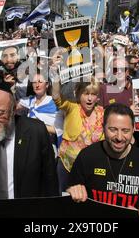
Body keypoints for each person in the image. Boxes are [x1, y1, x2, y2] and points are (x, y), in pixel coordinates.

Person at [67, 104, 139, 218]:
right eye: (113, 130)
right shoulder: (87, 156)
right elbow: (70, 194)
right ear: (103, 127)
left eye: (125, 131)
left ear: (133, 129)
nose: (119, 137)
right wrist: (72, 191)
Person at [51, 51, 104, 193]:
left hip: (93, 170)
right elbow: (56, 95)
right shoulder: (71, 107)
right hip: (67, 167)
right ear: (78, 94)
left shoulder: (103, 113)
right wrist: (55, 74)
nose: (89, 98)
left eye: (93, 94)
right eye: (86, 94)